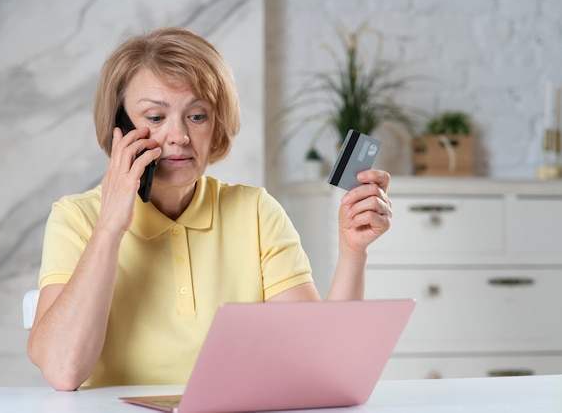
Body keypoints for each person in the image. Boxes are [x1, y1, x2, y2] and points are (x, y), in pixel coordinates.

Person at [27, 27, 392, 391]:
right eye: (155, 118)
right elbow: (64, 370)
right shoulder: (76, 218)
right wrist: (109, 228)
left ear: (215, 126)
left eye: (197, 116)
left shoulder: (256, 212)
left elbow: (321, 362)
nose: (180, 136)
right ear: (119, 129)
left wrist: (352, 251)